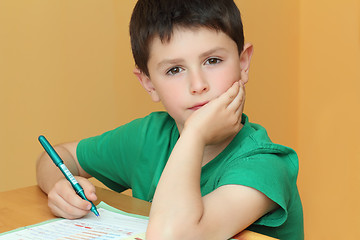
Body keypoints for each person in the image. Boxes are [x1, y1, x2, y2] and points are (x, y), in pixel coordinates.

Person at [36, 0, 304, 239]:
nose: (198, 85)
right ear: (148, 83)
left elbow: (173, 237)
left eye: (213, 60)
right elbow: (56, 157)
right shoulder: (149, 137)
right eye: (175, 69)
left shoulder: (264, 165)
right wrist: (59, 187)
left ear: (243, 63)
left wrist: (195, 133)